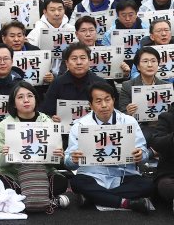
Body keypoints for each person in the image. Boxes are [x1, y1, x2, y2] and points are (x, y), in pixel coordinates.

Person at [65, 82, 154, 212]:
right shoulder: (79, 125)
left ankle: (93, 197)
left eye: (108, 100)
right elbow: (68, 163)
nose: (104, 105)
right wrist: (73, 159)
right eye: (98, 101)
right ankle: (126, 203)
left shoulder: (129, 121)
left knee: (148, 185)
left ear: (113, 100)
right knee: (77, 182)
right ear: (90, 105)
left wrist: (141, 155)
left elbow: (144, 155)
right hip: (92, 175)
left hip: (124, 175)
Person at [0, 81, 70, 208]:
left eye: (30, 96)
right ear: (14, 103)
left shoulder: (48, 122)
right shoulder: (4, 125)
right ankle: (44, 198)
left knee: (61, 182)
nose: (26, 100)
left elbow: (56, 160)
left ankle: (18, 199)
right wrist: (5, 156)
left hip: (42, 174)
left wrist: (58, 156)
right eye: (20, 97)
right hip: (13, 174)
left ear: (36, 99)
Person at [40, 42, 109, 120]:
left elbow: (110, 109)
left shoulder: (101, 83)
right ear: (67, 63)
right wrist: (52, 118)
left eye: (83, 58)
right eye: (74, 59)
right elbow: (46, 111)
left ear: (89, 61)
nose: (79, 62)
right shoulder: (57, 83)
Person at [118, 46, 166, 142]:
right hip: (140, 128)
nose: (150, 65)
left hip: (163, 128)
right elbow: (122, 115)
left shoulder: (166, 86)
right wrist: (129, 112)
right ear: (138, 66)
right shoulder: (127, 86)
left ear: (158, 64)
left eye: (153, 61)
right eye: (145, 61)